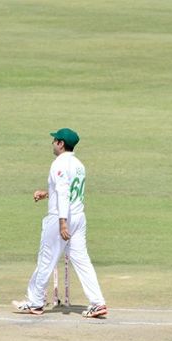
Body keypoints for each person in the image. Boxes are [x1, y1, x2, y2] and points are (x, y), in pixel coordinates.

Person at [12, 129, 108, 318]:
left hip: (60, 217)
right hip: (79, 217)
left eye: (54, 140)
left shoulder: (59, 163)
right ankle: (97, 302)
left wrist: (62, 223)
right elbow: (67, 190)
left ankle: (35, 302)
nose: (52, 143)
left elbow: (64, 193)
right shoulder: (79, 164)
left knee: (46, 260)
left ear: (61, 143)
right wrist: (47, 193)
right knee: (82, 260)